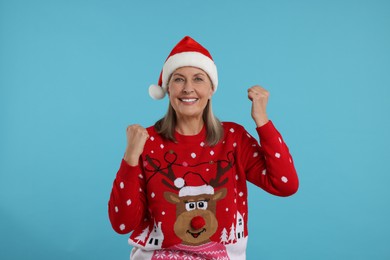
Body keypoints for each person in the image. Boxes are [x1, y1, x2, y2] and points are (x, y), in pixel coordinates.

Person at [108, 36, 299, 260]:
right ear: (168, 89)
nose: (188, 88)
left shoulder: (233, 138)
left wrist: (262, 121)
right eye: (179, 80)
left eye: (198, 79)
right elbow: (122, 224)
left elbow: (285, 184)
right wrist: (130, 158)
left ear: (211, 89)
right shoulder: (145, 141)